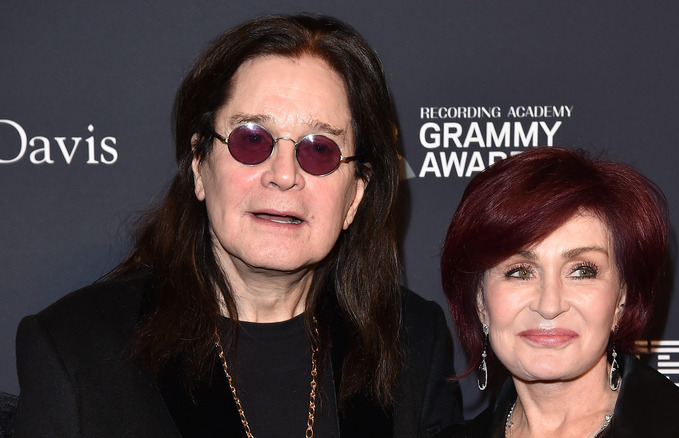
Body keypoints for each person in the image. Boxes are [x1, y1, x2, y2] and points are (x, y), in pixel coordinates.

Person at [15, 14, 461, 437]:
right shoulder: (75, 348)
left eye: (319, 150)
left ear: (356, 195)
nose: (284, 175)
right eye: (252, 140)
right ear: (199, 165)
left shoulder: (412, 340)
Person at [434, 147, 679, 437]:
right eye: (520, 272)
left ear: (621, 298)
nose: (549, 304)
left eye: (582, 271)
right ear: (480, 301)